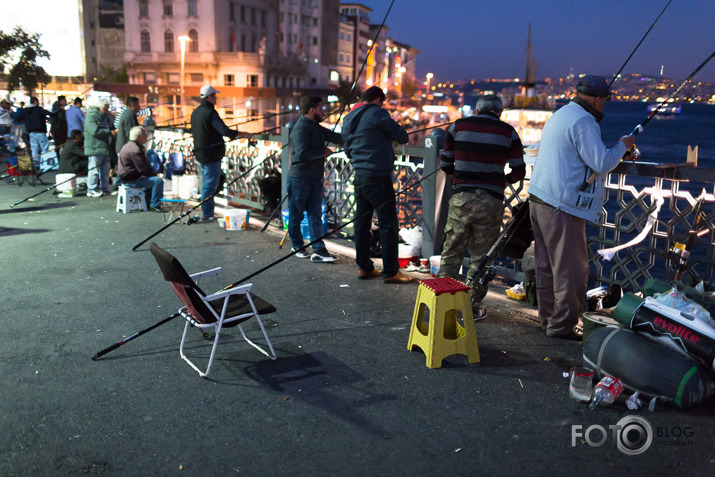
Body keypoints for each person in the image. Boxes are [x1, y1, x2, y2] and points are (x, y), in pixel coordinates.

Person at [528, 75, 638, 341]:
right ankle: (563, 326)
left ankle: (548, 320)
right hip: (561, 205)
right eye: (604, 102)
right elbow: (601, 162)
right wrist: (624, 145)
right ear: (598, 100)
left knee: (546, 266)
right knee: (571, 271)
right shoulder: (584, 122)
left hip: (539, 197)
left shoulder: (562, 113)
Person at [437, 94, 525, 320]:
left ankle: (442, 303)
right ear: (499, 113)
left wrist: (460, 176)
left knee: (451, 252)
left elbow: (445, 162)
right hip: (491, 201)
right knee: (482, 258)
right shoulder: (508, 132)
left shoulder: (457, 126)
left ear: (476, 111)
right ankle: (471, 307)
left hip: (461, 199)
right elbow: (519, 170)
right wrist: (503, 181)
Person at [341, 86, 413, 284]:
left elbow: (347, 148)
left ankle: (364, 267)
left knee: (361, 224)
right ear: (378, 99)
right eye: (383, 101)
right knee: (388, 224)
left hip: (360, 175)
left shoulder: (349, 117)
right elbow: (402, 136)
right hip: (378, 177)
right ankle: (391, 272)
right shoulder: (378, 113)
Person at [288, 96, 343, 263]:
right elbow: (301, 153)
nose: (323, 111)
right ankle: (297, 245)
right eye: (320, 108)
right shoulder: (301, 128)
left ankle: (318, 249)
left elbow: (336, 138)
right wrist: (323, 151)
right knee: (296, 215)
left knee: (315, 215)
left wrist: (358, 138)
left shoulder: (315, 126)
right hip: (300, 178)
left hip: (315, 178)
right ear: (312, 109)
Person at [190, 85, 252, 222]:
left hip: (200, 153)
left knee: (207, 183)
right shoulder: (210, 112)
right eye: (215, 96)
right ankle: (207, 214)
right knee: (209, 185)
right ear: (210, 97)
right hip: (211, 154)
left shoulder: (196, 112)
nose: (216, 98)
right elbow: (224, 131)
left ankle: (208, 212)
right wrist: (243, 134)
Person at [118, 126, 164, 212]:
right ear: (139, 137)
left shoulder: (128, 146)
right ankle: (155, 205)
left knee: (151, 179)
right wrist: (154, 174)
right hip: (131, 180)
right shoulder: (135, 149)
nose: (146, 137)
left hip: (127, 177)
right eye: (144, 135)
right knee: (158, 180)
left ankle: (148, 202)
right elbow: (143, 169)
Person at [84, 98, 117, 197]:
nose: (107, 111)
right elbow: (94, 131)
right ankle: (91, 189)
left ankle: (105, 188)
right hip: (95, 147)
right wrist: (109, 133)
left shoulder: (106, 117)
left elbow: (110, 126)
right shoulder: (91, 116)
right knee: (94, 169)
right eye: (106, 109)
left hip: (105, 147)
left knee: (105, 170)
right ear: (100, 108)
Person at [22, 97, 52, 165]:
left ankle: (36, 164)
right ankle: (44, 163)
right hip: (40, 131)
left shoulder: (26, 110)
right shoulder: (38, 109)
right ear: (35, 101)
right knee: (44, 148)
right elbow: (48, 113)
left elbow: (18, 117)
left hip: (31, 132)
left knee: (34, 148)